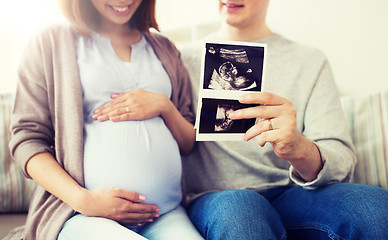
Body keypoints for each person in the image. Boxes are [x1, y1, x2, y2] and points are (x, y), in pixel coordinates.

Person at [180, 0, 388, 239]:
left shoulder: (309, 61)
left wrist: (299, 148)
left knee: (373, 206)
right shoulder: (182, 59)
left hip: (291, 194)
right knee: (241, 210)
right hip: (218, 199)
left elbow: (341, 161)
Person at [8, 0, 203, 239]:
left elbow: (188, 143)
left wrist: (164, 106)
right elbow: (27, 140)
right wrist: (84, 200)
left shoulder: (165, 48)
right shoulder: (50, 41)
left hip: (165, 213)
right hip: (82, 215)